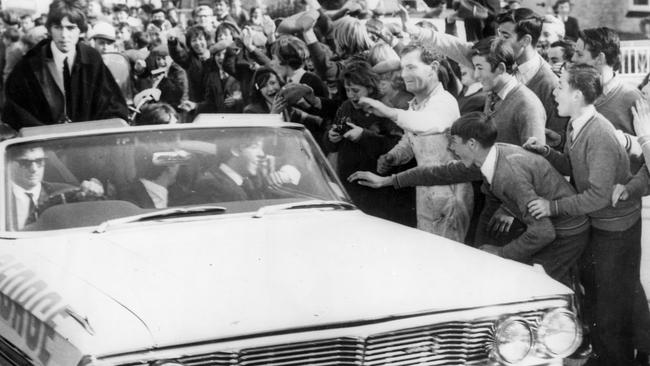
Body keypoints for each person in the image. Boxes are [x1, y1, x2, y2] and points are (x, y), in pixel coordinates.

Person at [349, 112, 590, 286]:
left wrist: (501, 254)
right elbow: (439, 172)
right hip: (559, 226)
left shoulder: (509, 174)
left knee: (539, 288)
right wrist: (388, 181)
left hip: (568, 232)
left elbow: (543, 232)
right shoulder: (487, 155)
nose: (452, 150)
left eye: (454, 143)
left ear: (472, 144)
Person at [524, 64, 642, 366]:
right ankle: (607, 356)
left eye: (560, 86)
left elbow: (598, 195)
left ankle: (617, 360)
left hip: (616, 230)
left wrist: (553, 207)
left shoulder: (598, 133)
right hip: (601, 225)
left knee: (610, 308)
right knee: (600, 301)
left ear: (577, 95)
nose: (554, 90)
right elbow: (576, 168)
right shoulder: (576, 124)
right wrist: (548, 153)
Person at [356, 43, 473, 242]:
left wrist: (389, 112)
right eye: (402, 68)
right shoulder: (417, 104)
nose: (403, 75)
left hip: (450, 197)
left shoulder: (444, 102)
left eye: (411, 67)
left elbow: (424, 125)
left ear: (433, 68)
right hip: (425, 192)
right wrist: (393, 156)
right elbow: (411, 139)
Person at [3, 0, 128, 130]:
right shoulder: (31, 64)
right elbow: (15, 110)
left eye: (70, 28)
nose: (64, 35)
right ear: (50, 29)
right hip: (44, 144)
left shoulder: (92, 59)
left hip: (86, 142)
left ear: (81, 30)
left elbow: (112, 105)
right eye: (58, 27)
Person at [8, 146, 104, 230]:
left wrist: (94, 193)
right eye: (25, 163)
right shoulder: (3, 196)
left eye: (39, 161)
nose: (34, 169)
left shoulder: (66, 192)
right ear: (9, 164)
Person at [194, 135, 300, 202]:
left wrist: (286, 173)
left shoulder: (249, 178)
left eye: (262, 148)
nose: (262, 154)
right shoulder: (212, 185)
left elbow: (296, 162)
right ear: (236, 150)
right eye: (255, 147)